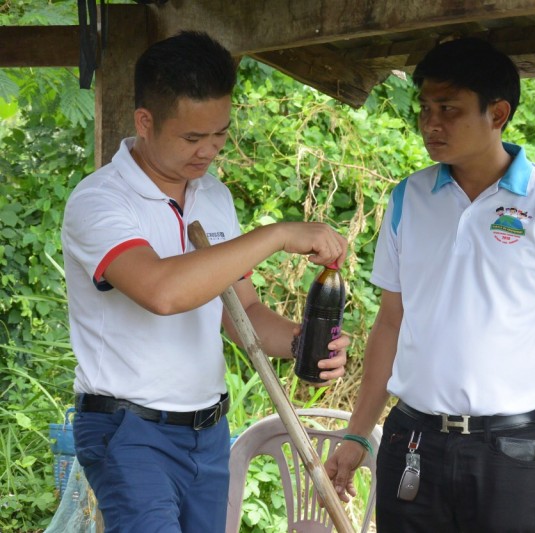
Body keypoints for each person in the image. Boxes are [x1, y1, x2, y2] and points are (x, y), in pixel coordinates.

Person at [61, 31, 350, 533]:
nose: (209, 150)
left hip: (208, 430)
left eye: (219, 134)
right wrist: (279, 234)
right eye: (192, 138)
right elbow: (162, 291)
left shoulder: (213, 196)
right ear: (145, 122)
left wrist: (306, 344)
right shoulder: (100, 201)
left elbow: (243, 315)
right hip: (130, 432)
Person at [324, 37, 535, 533]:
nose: (431, 122)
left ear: (497, 114)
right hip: (412, 438)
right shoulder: (408, 198)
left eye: (449, 109)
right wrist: (357, 432)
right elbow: (390, 323)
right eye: (426, 107)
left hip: (511, 449)